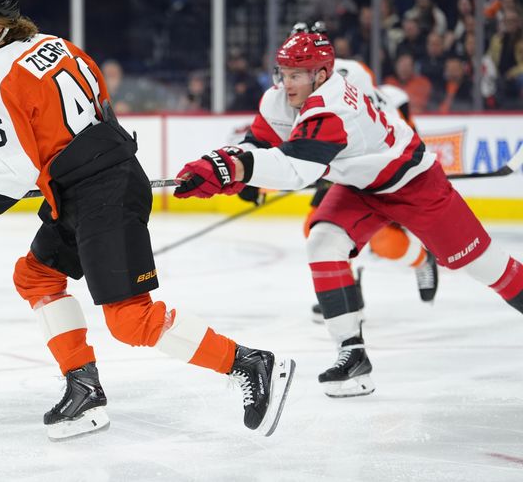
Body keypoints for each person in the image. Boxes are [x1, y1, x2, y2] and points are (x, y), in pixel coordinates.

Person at [0, 0, 295, 440]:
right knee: (35, 276)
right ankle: (84, 389)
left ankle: (249, 363)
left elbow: (12, 170)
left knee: (131, 320)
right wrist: (58, 174)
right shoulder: (57, 46)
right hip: (101, 181)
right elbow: (92, 115)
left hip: (99, 195)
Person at [174, 32, 523, 398]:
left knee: (488, 267)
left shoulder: (333, 107)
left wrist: (234, 170)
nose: (287, 83)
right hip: (359, 185)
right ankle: (352, 355)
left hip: (414, 184)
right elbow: (258, 143)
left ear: (322, 74)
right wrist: (227, 163)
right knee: (322, 241)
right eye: (284, 73)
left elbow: (295, 170)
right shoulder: (280, 99)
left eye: (297, 75)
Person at [291, 22, 438, 324]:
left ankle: (422, 259)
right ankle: (350, 289)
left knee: (382, 241)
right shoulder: (293, 80)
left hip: (378, 160)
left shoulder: (349, 73)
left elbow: (361, 124)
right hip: (343, 163)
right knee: (316, 229)